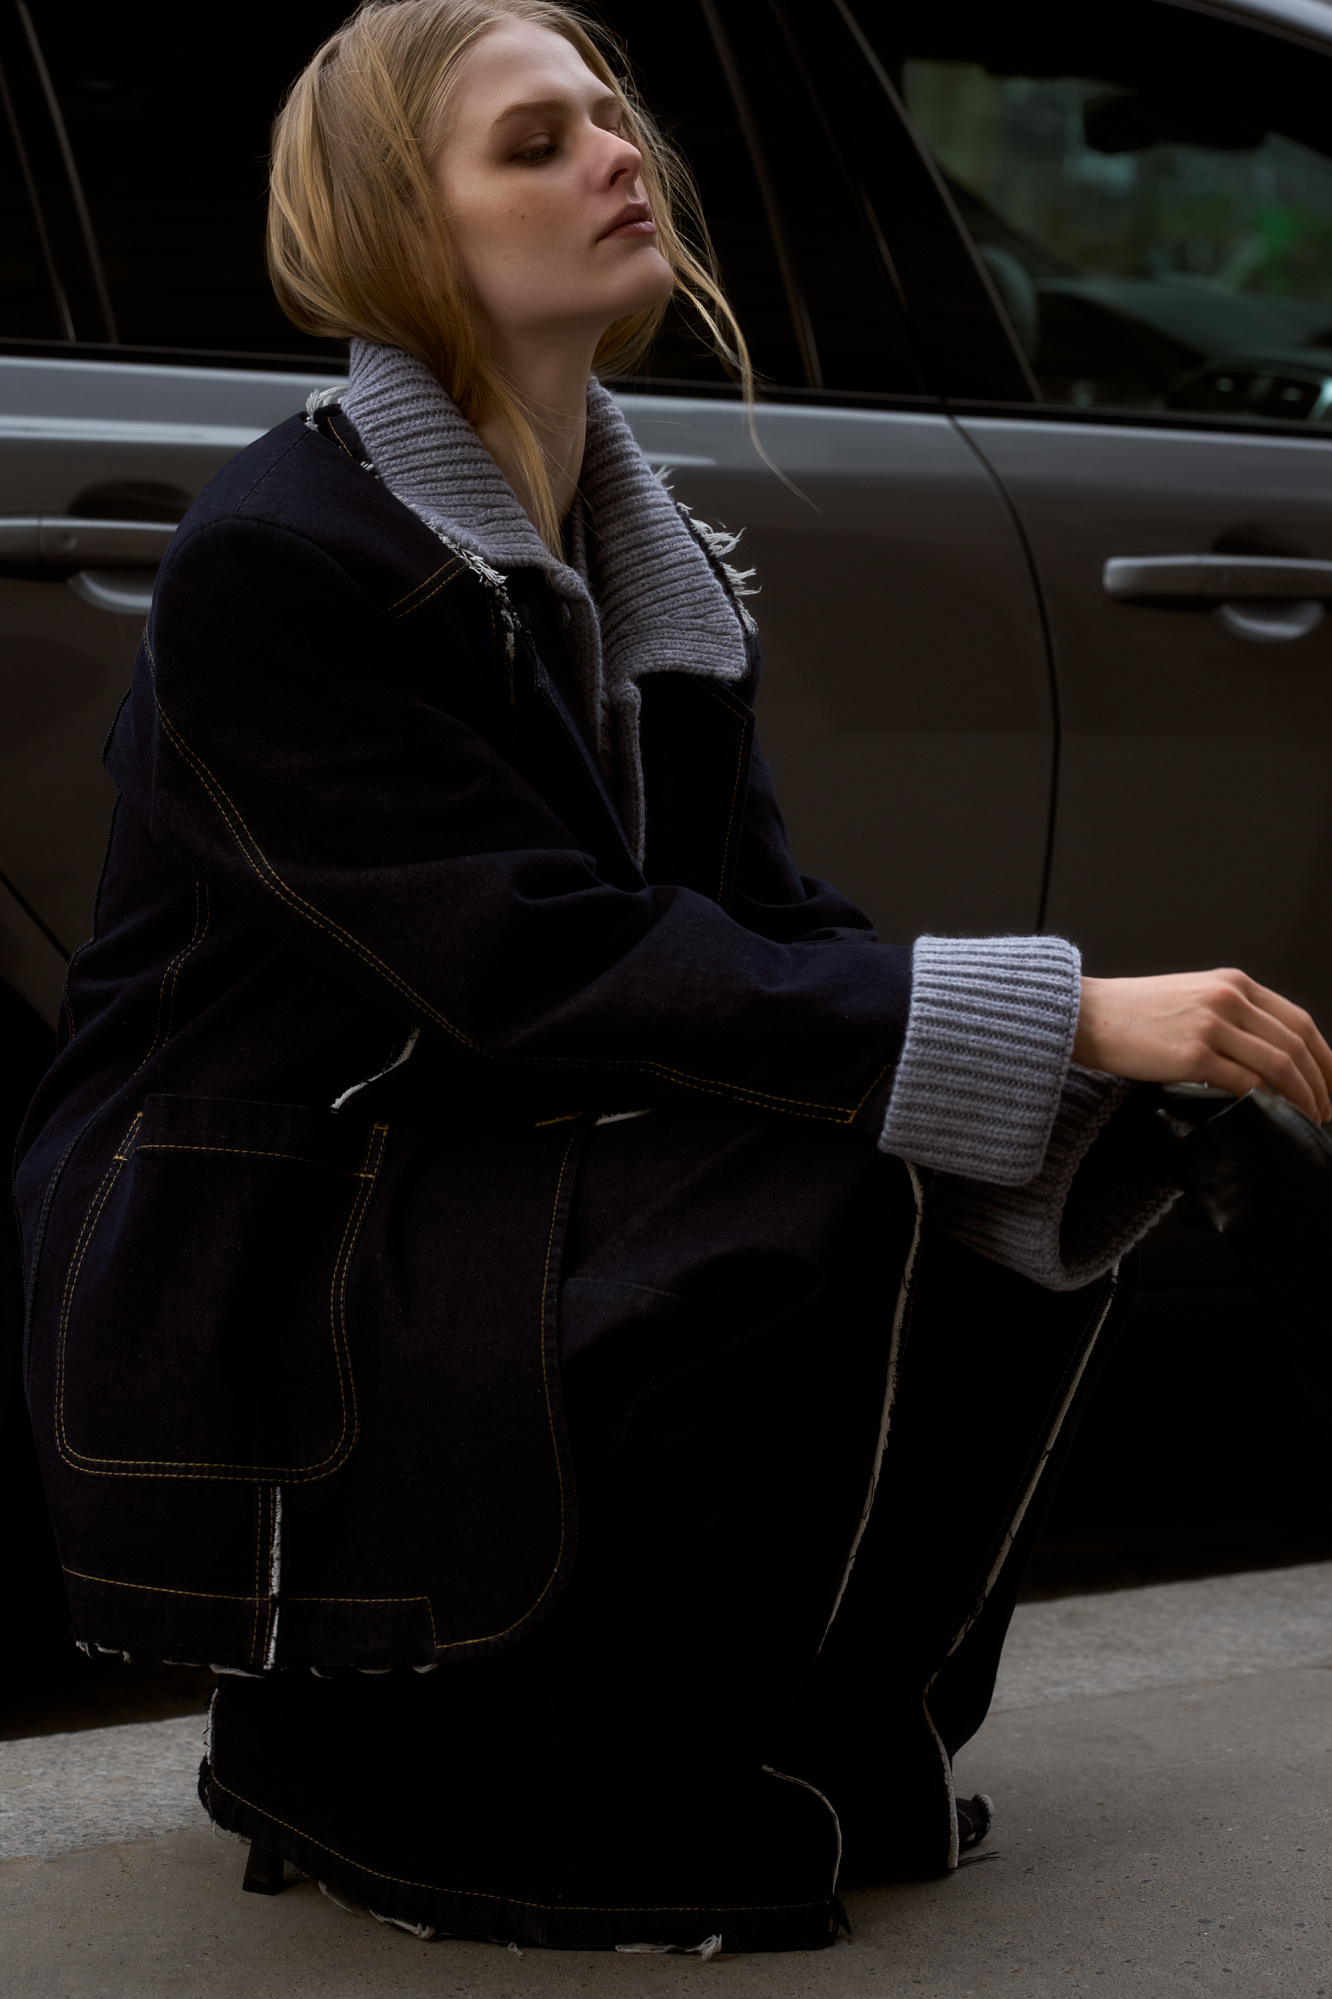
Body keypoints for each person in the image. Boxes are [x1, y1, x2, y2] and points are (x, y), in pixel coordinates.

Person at [14, 0, 1332, 1954]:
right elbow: (535, 965)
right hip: (259, 1217)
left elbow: (767, 921)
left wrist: (1065, 1061)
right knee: (817, 1194)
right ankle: (478, 1779)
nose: (622, 154)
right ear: (400, 227)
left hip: (459, 1147)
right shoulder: (284, 553)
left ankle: (811, 1732)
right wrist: (1052, 1000)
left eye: (609, 116)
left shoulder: (636, 551)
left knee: (1028, 1139)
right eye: (535, 143)